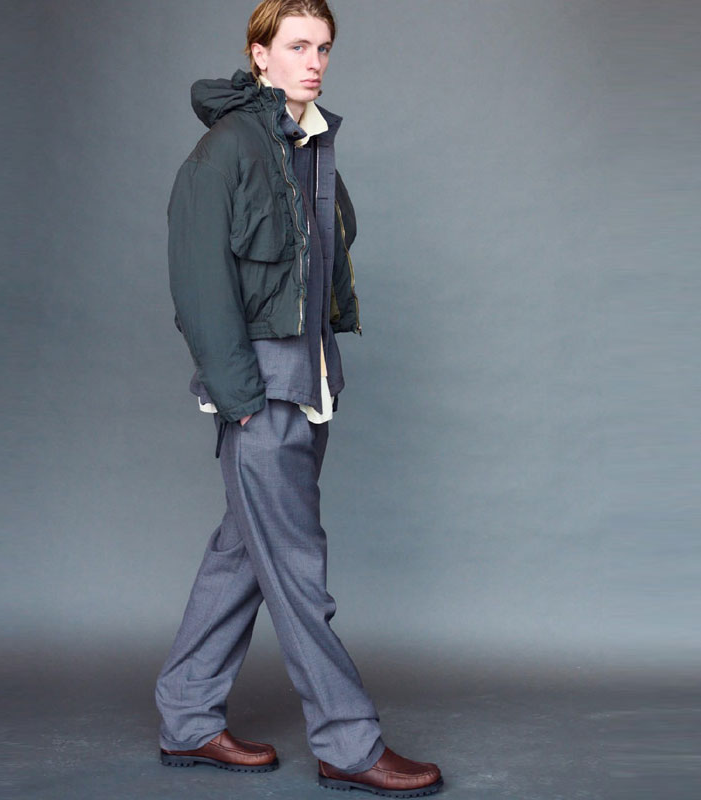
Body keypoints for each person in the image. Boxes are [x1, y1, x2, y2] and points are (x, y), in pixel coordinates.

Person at [155, 1, 443, 795]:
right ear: (260, 55)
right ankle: (349, 743)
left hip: (309, 385)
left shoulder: (309, 144)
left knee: (242, 557)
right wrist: (241, 397)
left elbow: (318, 264)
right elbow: (198, 282)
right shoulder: (226, 151)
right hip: (262, 391)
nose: (314, 61)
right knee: (296, 567)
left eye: (324, 47)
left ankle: (186, 716)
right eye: (297, 46)